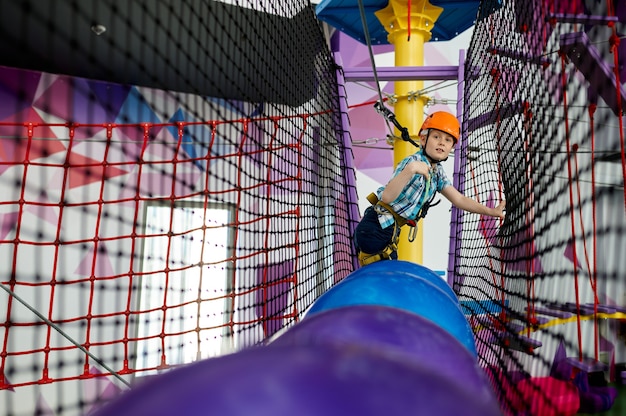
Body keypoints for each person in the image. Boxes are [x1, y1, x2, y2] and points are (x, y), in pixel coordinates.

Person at [354, 110, 506, 266]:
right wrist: (411, 169)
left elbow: (459, 198)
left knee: (388, 276)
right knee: (387, 277)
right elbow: (386, 197)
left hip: (389, 230)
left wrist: (491, 212)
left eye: (448, 140)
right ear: (423, 139)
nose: (441, 142)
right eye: (436, 137)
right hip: (375, 227)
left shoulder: (437, 172)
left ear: (452, 147)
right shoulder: (412, 162)